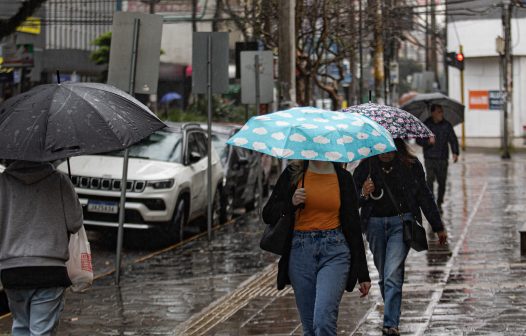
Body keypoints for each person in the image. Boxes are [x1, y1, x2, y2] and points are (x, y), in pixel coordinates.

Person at [262, 160, 371, 336]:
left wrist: (363, 273)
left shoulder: (343, 177)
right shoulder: (293, 173)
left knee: (323, 322)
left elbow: (353, 227)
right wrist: (291, 202)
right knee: (310, 329)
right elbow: (268, 214)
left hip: (335, 251)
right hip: (300, 251)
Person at [354, 139, 447, 336]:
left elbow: (424, 195)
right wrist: (363, 192)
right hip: (374, 226)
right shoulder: (365, 168)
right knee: (384, 276)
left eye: (390, 148)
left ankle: (390, 324)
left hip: (401, 224)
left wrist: (438, 226)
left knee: (392, 274)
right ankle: (392, 312)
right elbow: (352, 200)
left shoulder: (410, 165)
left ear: (397, 146)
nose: (386, 153)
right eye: (381, 148)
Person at [0, 160, 83, 336]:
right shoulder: (60, 180)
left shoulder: (2, 182)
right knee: (42, 331)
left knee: (20, 326)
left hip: (12, 270)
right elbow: (75, 223)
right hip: (49, 269)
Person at [416, 104, 460, 213]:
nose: (441, 114)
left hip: (442, 159)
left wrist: (455, 152)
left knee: (442, 183)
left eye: (442, 111)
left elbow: (453, 139)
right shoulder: (426, 125)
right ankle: (432, 204)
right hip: (430, 158)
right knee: (429, 182)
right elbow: (418, 140)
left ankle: (439, 202)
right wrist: (428, 142)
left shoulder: (447, 125)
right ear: (433, 113)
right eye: (439, 112)